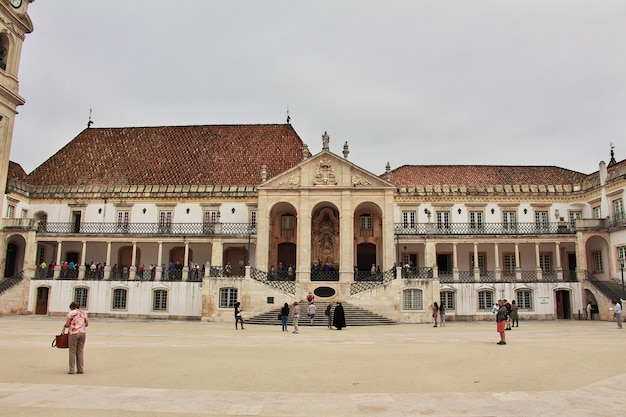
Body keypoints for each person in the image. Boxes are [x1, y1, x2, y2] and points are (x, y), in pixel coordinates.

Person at [64, 301, 88, 374]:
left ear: (71, 307)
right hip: (82, 333)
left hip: (74, 333)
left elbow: (67, 324)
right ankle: (80, 369)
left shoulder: (71, 313)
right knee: (80, 351)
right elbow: (86, 324)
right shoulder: (83, 313)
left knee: (72, 351)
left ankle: (72, 370)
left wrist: (66, 325)